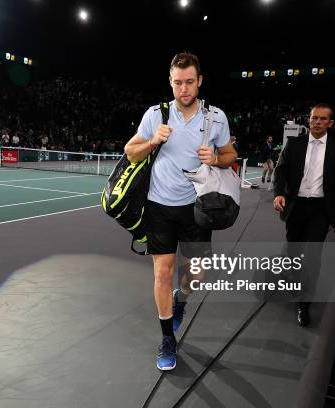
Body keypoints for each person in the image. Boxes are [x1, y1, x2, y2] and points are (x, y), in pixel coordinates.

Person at [124, 53, 237, 370]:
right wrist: (150, 143)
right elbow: (129, 152)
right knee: (161, 272)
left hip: (198, 209)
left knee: (196, 275)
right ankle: (167, 339)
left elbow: (230, 154)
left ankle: (181, 298)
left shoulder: (215, 117)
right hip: (159, 206)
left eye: (190, 82)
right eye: (178, 82)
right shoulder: (155, 115)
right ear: (170, 82)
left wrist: (215, 158)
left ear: (199, 80)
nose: (184, 89)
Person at [273, 103, 335, 327]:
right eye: (315, 118)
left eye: (323, 119)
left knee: (313, 257)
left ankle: (304, 303)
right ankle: (295, 285)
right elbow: (280, 170)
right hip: (296, 207)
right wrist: (279, 194)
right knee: (294, 252)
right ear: (309, 120)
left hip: (321, 210)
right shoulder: (294, 144)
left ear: (330, 123)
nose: (318, 122)